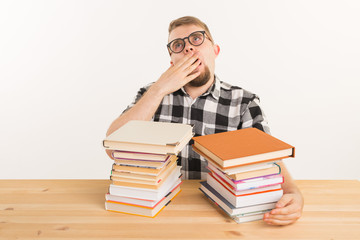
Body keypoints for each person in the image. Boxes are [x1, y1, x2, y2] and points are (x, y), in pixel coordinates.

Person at [105, 16, 303, 225]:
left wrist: (293, 193)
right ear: (172, 62)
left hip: (221, 214)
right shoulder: (150, 94)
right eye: (178, 45)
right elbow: (112, 146)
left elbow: (268, 158)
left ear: (215, 51)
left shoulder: (243, 102)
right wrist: (159, 89)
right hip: (159, 214)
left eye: (197, 39)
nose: (188, 48)